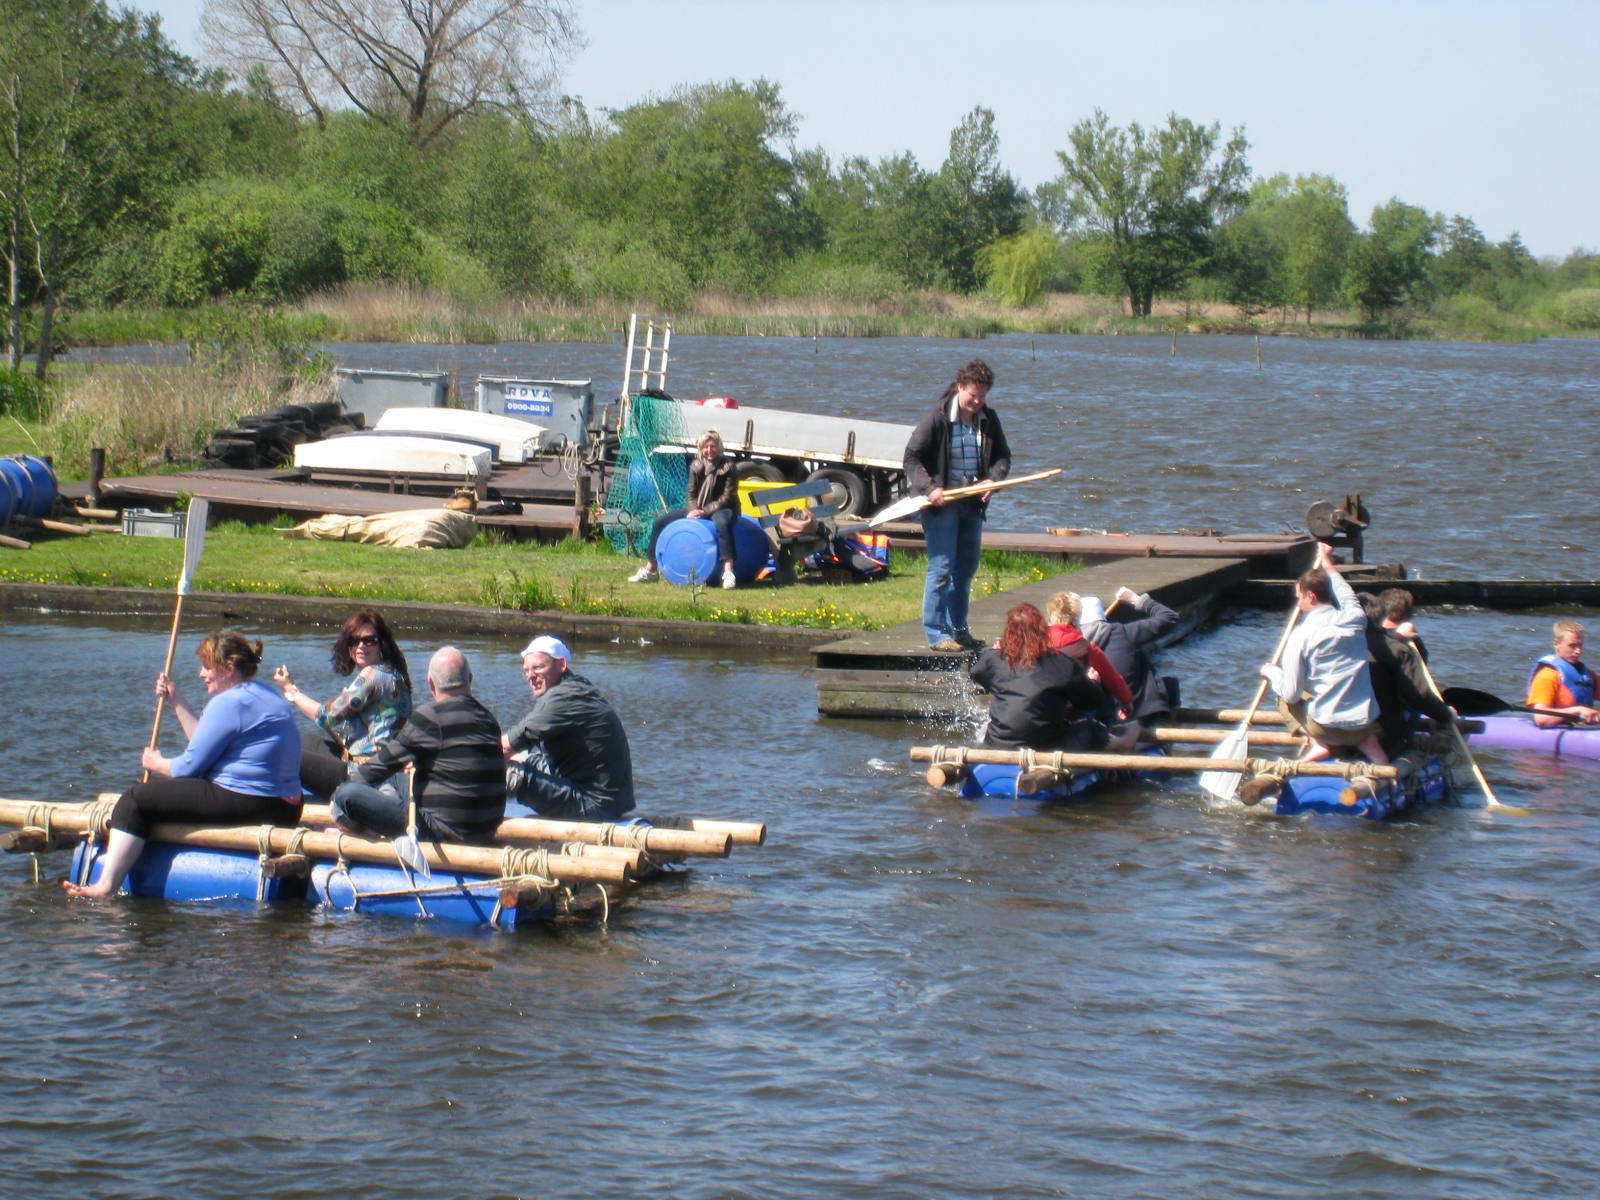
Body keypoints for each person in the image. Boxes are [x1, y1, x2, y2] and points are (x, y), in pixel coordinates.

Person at [63, 629, 302, 899]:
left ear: (228, 668)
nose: (201, 674)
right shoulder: (263, 693)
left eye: (206, 667)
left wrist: (156, 762)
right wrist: (175, 698)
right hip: (287, 807)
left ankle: (104, 887)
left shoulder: (228, 703)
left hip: (252, 801)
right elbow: (204, 746)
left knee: (136, 799)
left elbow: (187, 768)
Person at [330, 646, 506, 844]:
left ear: (430, 684)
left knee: (347, 794)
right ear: (470, 679)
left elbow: (376, 769)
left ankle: (362, 830)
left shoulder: (430, 716)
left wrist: (339, 800)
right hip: (486, 828)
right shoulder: (489, 719)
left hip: (441, 831)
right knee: (395, 779)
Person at [903, 359, 1011, 651]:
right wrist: (930, 488)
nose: (977, 402)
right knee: (942, 567)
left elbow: (1002, 456)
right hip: (941, 504)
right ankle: (937, 634)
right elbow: (911, 458)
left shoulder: (988, 419)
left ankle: (959, 631)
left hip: (972, 504)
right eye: (972, 395)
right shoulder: (937, 419)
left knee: (965, 568)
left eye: (982, 397)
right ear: (960, 387)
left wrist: (993, 479)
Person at [1259, 541, 1388, 764]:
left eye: (1299, 596)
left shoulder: (1300, 636)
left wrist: (1271, 673)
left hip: (1325, 727)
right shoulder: (1356, 619)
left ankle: (1318, 744)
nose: (1297, 603)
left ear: (1310, 596)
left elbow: (1291, 693)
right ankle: (1374, 753)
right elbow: (1346, 594)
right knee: (1366, 733)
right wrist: (1328, 564)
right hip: (1363, 723)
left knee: (1283, 697)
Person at [273, 610, 413, 801]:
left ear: (382, 644)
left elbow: (326, 717)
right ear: (348, 647)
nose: (361, 646)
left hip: (367, 773)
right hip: (379, 766)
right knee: (307, 741)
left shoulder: (373, 676)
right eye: (354, 641)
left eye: (369, 640)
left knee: (285, 754)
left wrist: (290, 689)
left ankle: (285, 808)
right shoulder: (394, 673)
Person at [969, 603, 1139, 754]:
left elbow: (976, 672)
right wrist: (1093, 681)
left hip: (998, 744)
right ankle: (1122, 743)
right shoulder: (1060, 663)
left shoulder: (995, 660)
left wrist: (995, 653)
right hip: (1045, 749)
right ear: (1043, 631)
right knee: (1090, 728)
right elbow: (1092, 701)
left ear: (1007, 633)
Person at [504, 636, 636, 821]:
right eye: (526, 670)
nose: (530, 676)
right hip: (608, 803)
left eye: (538, 667)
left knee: (508, 773)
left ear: (562, 664)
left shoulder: (563, 698)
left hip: (593, 807)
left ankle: (471, 822)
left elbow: (504, 746)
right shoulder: (578, 687)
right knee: (523, 757)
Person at [628, 428, 741, 590]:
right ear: (701, 449)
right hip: (699, 508)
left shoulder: (729, 466)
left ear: (719, 447)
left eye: (713, 446)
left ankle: (728, 572)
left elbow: (727, 496)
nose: (709, 450)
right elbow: (690, 493)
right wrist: (693, 510)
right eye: (706, 447)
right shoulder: (696, 466)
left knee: (722, 524)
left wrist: (705, 511)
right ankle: (651, 570)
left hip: (724, 508)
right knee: (660, 522)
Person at [1357, 592, 1456, 758]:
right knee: (1408, 703)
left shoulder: (1332, 645)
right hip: (1383, 735)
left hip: (1332, 730)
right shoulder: (1399, 649)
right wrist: (1446, 715)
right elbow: (1418, 696)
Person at [1077, 585, 1181, 724]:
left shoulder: (1069, 647)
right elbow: (1170, 617)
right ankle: (1164, 730)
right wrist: (1136, 600)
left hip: (1097, 716)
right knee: (1170, 684)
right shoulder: (1123, 632)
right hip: (1138, 713)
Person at [1043, 591, 1133, 723]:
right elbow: (1113, 679)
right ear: (1077, 618)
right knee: (1100, 690)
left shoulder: (1034, 644)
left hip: (1041, 709)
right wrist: (1127, 702)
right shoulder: (1088, 649)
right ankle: (1106, 731)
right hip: (1072, 714)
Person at [1526, 619, 1600, 727]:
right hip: (1553, 732)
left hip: (1579, 730)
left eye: (1580, 645)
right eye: (1572, 646)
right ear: (1556, 643)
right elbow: (1541, 719)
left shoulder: (1588, 676)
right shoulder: (1547, 676)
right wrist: (1577, 710)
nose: (1579, 651)